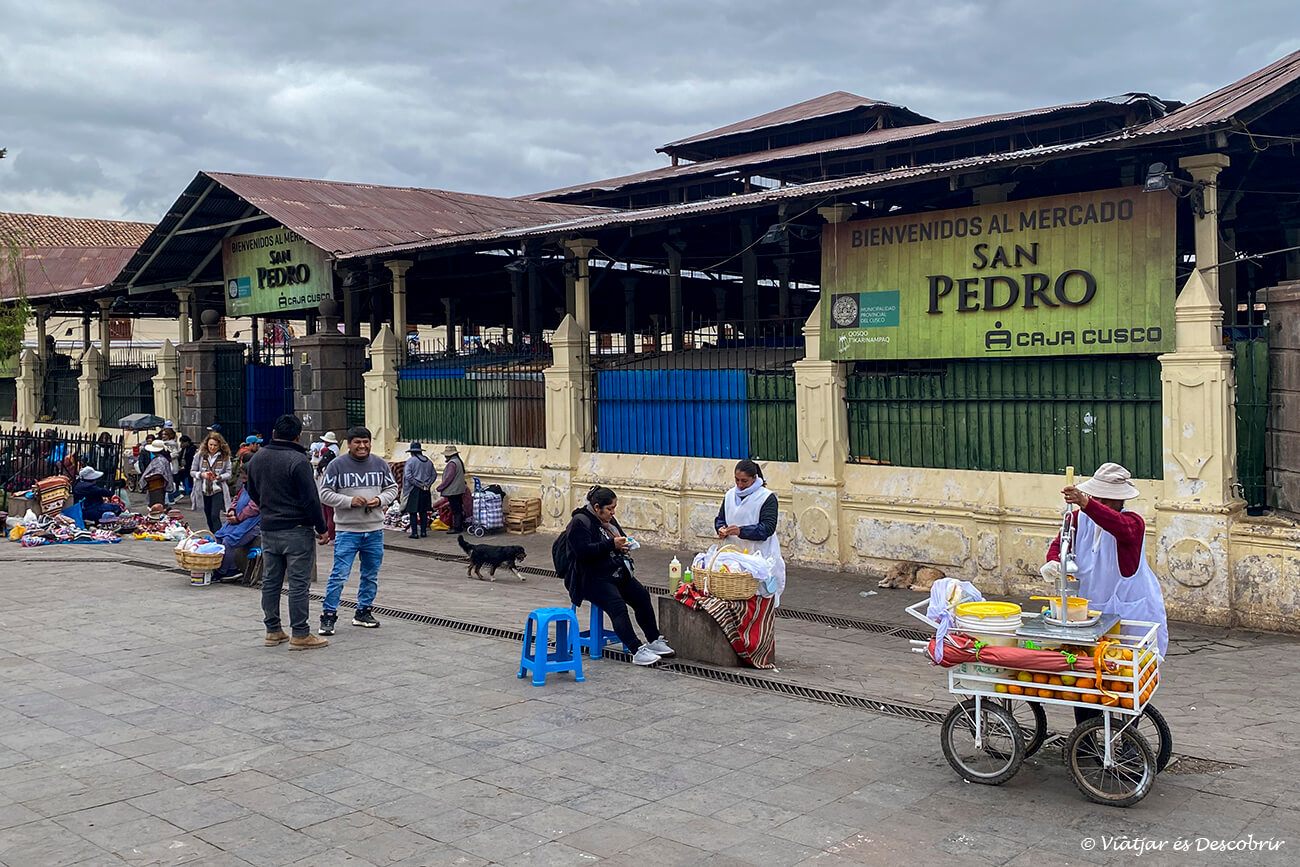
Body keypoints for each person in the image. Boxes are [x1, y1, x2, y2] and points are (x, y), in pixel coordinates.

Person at [1043, 462, 1169, 659]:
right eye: (1096, 498)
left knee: (1131, 667)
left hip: (1129, 611)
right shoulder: (1076, 519)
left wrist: (1087, 504)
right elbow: (1059, 546)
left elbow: (1119, 526)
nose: (1099, 503)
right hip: (1089, 610)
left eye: (1106, 500)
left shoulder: (1133, 523)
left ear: (1120, 500)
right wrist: (1054, 563)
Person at [244, 414, 330, 651]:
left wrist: (269, 507)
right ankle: (300, 633)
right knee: (298, 584)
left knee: (271, 580)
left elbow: (252, 491)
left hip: (269, 528)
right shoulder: (298, 460)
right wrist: (322, 528)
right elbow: (310, 499)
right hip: (297, 529)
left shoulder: (257, 458)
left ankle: (272, 630)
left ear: (273, 433)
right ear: (298, 435)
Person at [564, 485, 672, 666]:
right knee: (618, 607)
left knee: (642, 596)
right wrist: (610, 545)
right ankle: (636, 650)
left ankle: (653, 639)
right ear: (597, 507)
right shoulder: (580, 523)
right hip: (591, 578)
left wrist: (624, 545)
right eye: (609, 509)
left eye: (614, 508)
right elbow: (583, 553)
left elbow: (619, 537)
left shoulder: (609, 522)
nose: (613, 512)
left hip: (614, 571)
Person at [316, 427, 398, 634]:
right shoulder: (337, 465)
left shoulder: (380, 464)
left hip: (375, 530)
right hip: (347, 531)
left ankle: (363, 611)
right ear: (349, 444)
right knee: (339, 574)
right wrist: (349, 501)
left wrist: (380, 500)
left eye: (366, 442)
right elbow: (324, 493)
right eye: (357, 442)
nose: (362, 446)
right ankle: (328, 615)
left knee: (370, 574)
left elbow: (392, 489)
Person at [714, 459, 788, 605]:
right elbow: (721, 517)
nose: (740, 485)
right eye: (737, 480)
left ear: (754, 478)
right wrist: (721, 528)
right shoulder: (730, 495)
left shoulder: (767, 497)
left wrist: (741, 531)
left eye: (744, 481)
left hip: (759, 556)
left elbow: (767, 528)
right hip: (733, 556)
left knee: (759, 599)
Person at [212, 469, 261, 581]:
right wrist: (232, 510)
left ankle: (223, 571)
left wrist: (238, 518)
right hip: (238, 519)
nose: (242, 478)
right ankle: (229, 568)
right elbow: (236, 499)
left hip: (251, 523)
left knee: (228, 541)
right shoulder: (244, 486)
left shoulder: (258, 488)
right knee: (219, 537)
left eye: (244, 476)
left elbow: (254, 508)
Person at [191, 432, 233, 533]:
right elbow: (192, 471)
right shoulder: (200, 455)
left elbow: (229, 473)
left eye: (215, 445)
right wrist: (201, 475)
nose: (213, 447)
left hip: (217, 489)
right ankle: (213, 534)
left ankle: (219, 535)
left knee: (215, 515)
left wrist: (220, 477)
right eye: (211, 445)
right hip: (204, 489)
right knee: (208, 515)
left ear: (220, 445)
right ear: (207, 444)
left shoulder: (224, 457)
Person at [402, 442, 436, 538]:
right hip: (426, 489)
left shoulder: (411, 461)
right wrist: (428, 484)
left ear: (412, 452)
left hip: (414, 489)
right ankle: (424, 532)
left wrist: (418, 484)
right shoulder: (428, 461)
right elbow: (434, 474)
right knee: (423, 511)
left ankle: (414, 533)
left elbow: (408, 476)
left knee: (413, 511)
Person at [436, 445, 469, 534]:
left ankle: (457, 527)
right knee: (458, 508)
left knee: (455, 509)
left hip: (453, 491)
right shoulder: (458, 462)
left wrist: (440, 487)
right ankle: (459, 526)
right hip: (459, 490)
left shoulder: (452, 463)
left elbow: (449, 478)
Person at [139, 441, 174, 508]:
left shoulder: (160, 460)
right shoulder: (160, 459)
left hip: (157, 486)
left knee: (157, 506)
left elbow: (159, 474)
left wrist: (148, 478)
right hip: (155, 486)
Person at [178, 434, 197, 503]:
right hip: (183, 466)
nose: (182, 444)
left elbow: (190, 460)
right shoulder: (183, 449)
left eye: (183, 442)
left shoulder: (192, 448)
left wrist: (185, 467)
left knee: (179, 475)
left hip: (189, 467)